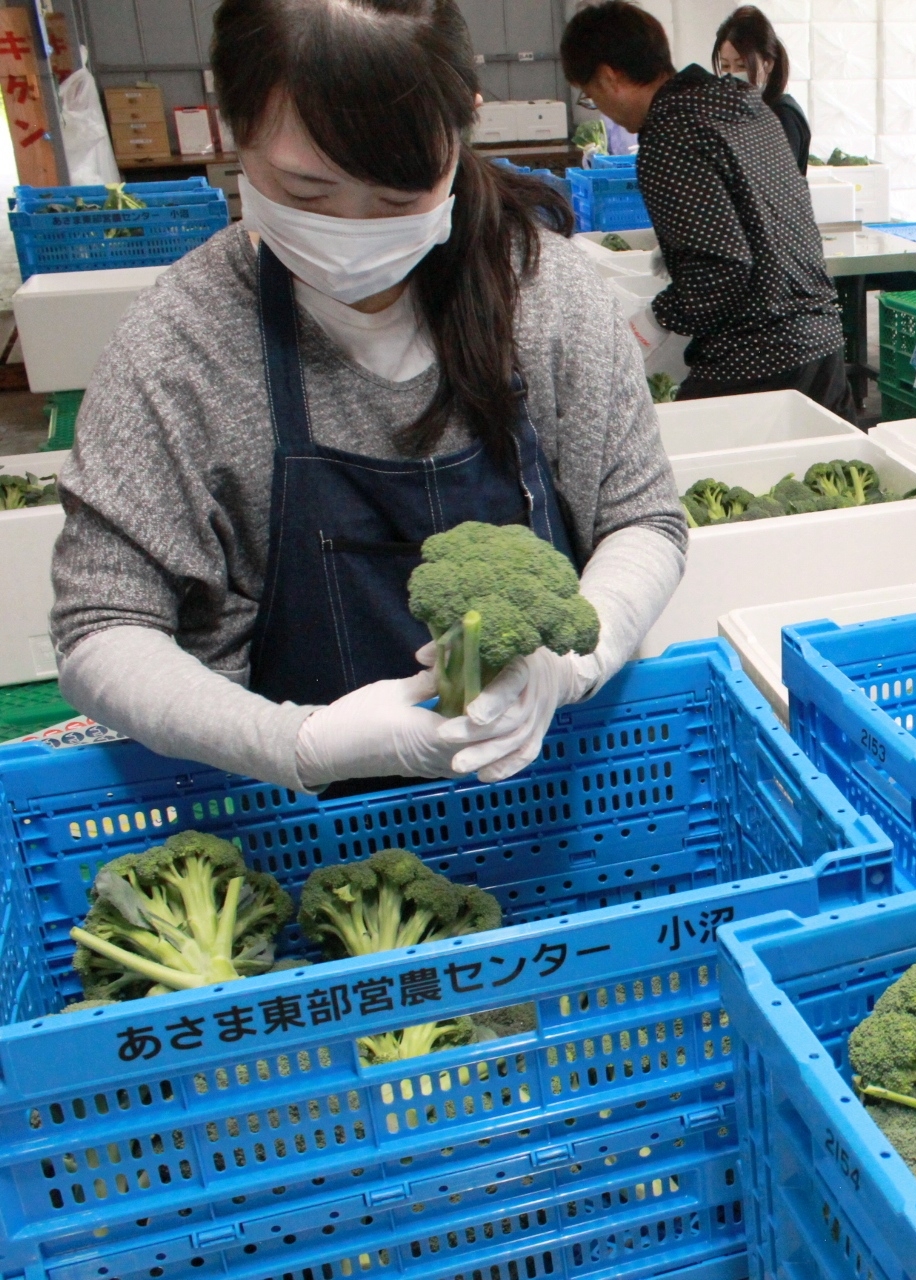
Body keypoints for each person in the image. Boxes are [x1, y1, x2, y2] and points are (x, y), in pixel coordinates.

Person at [48, 0, 688, 796]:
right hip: (281, 817)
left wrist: (565, 670)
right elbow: (102, 628)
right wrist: (299, 743)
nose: (353, 232)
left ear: (461, 132)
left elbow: (643, 519)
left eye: (396, 198)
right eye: (306, 192)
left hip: (543, 786)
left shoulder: (544, 294)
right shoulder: (180, 346)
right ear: (233, 127)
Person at [561, 2, 853, 418]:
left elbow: (720, 269)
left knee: (681, 465)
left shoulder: (671, 131)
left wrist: (649, 323)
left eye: (590, 96)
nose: (599, 108)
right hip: (821, 343)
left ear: (610, 77)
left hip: (757, 357)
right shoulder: (740, 103)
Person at [715, 6, 809, 173]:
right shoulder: (735, 114)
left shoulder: (783, 115)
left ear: (768, 64)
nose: (732, 75)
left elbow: (775, 183)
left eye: (742, 65)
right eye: (725, 66)